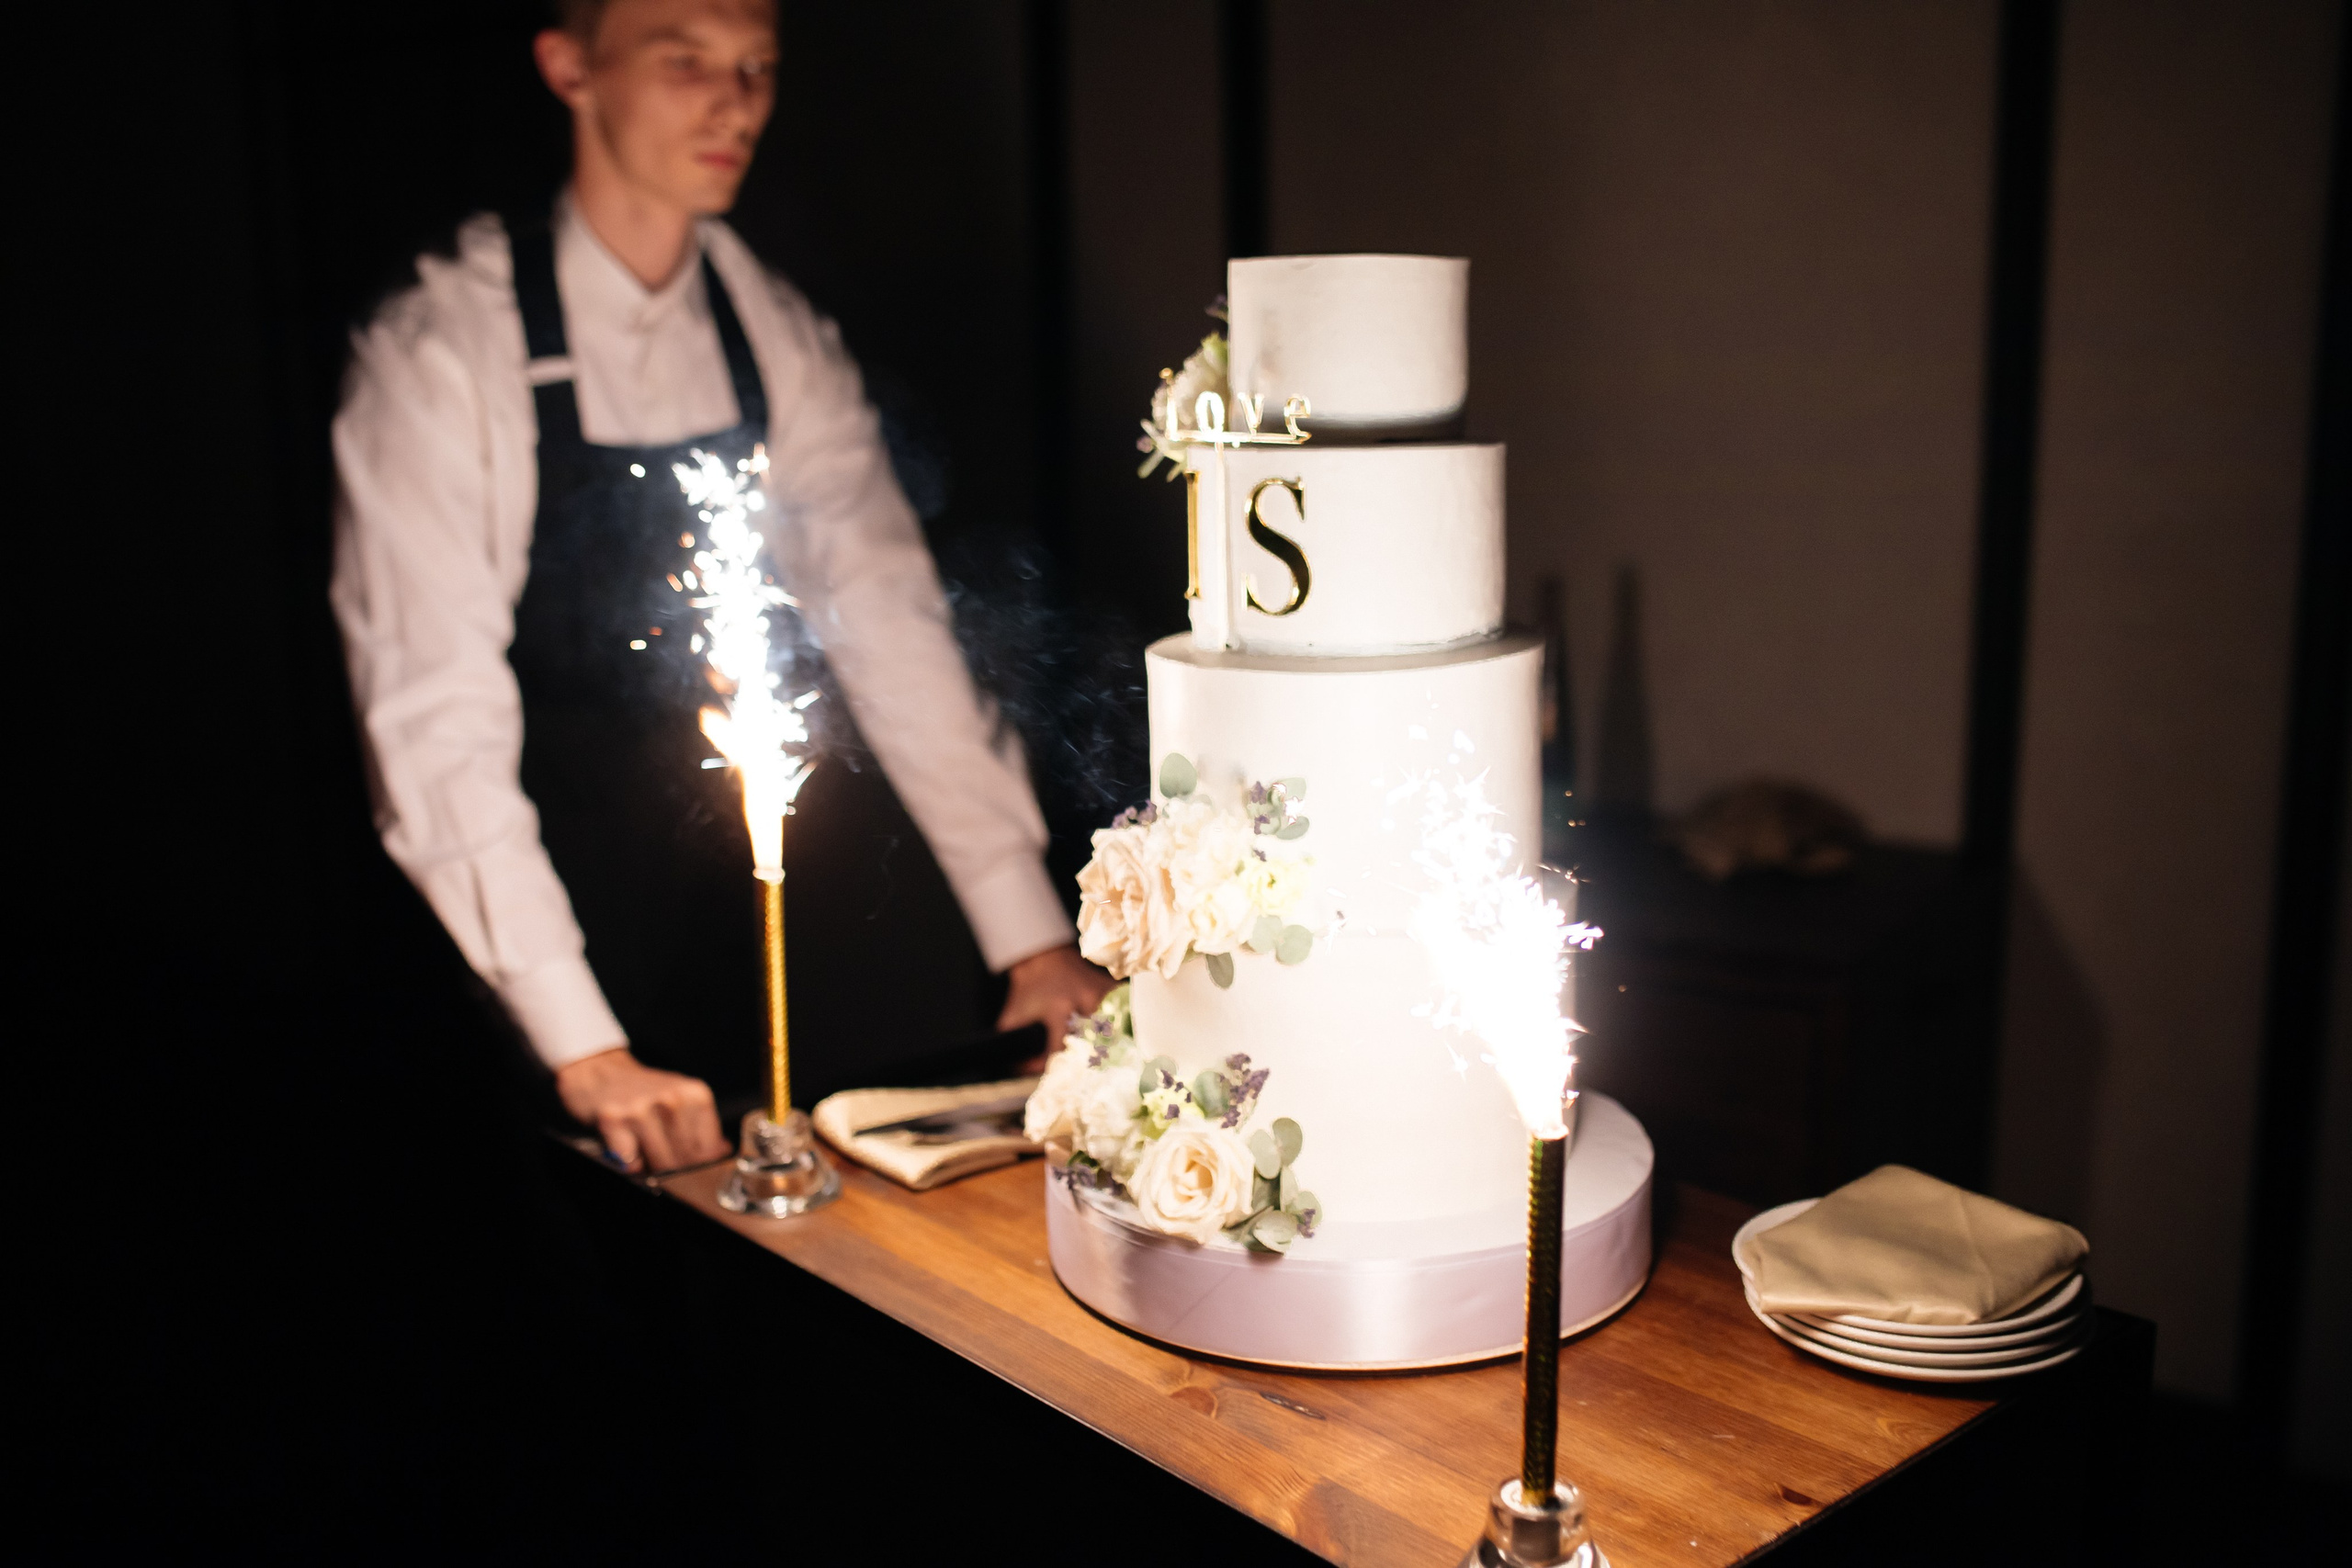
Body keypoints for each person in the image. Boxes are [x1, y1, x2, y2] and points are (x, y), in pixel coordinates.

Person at [331, 0, 1107, 1174]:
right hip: (501, 915)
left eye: (755, 67)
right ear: (569, 65)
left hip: (727, 904)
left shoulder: (770, 329)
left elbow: (892, 625)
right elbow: (431, 716)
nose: (733, 102)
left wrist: (1031, 940)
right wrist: (581, 1047)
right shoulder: (443, 352)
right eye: (684, 59)